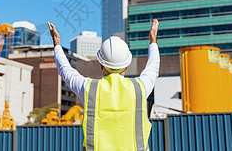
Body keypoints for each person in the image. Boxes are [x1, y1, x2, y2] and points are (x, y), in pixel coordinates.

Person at [47, 19, 160, 151]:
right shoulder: (140, 88)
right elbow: (153, 67)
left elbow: (65, 70)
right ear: (127, 65)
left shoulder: (89, 88)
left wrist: (57, 43)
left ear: (101, 65)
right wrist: (153, 41)